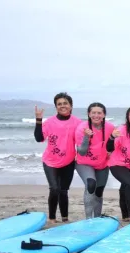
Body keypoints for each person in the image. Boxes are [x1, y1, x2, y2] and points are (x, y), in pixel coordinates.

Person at [33, 92, 82, 223]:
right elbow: (39, 138)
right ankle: (52, 217)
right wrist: (38, 120)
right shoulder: (49, 122)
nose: (62, 106)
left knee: (64, 191)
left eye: (65, 103)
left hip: (69, 162)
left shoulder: (77, 123)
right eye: (59, 104)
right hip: (50, 161)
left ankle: (65, 218)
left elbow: (84, 142)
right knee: (54, 188)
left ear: (71, 106)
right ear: (56, 107)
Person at [75, 102, 115, 219]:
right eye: (93, 113)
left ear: (104, 115)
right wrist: (86, 137)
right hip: (84, 163)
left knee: (99, 190)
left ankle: (97, 218)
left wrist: (111, 150)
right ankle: (88, 219)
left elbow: (114, 144)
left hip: (102, 164)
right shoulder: (82, 128)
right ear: (89, 114)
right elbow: (81, 151)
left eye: (99, 113)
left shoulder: (110, 127)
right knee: (91, 184)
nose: (96, 115)